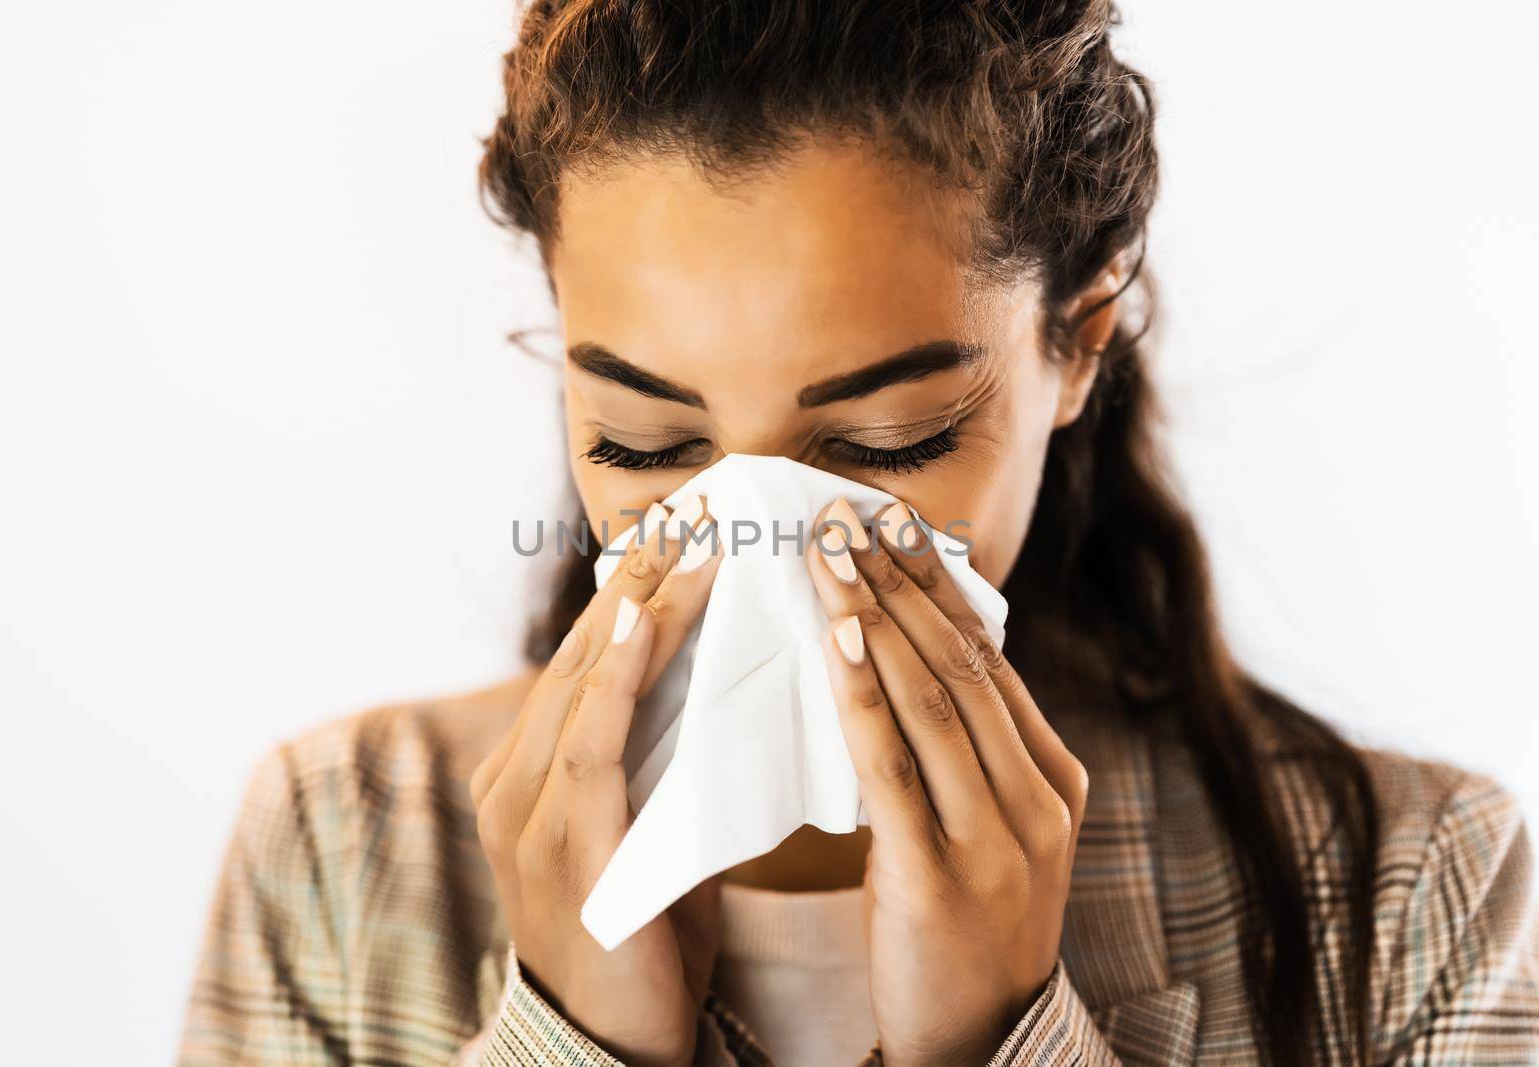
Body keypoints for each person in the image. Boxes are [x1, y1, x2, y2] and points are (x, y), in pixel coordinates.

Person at [177, 1, 1539, 1064]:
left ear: (1077, 339)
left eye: (883, 448)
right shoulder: (348, 847)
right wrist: (572, 1043)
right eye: (648, 446)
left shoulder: (1401, 896)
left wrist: (1000, 1044)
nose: (761, 542)